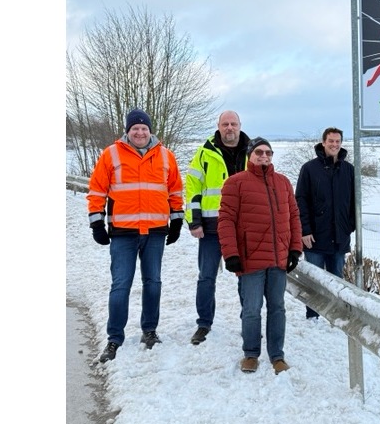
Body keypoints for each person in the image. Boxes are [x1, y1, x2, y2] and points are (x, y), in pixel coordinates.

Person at [88, 108, 184, 363]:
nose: (140, 132)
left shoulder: (166, 156)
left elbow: (175, 191)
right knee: (121, 284)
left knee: (153, 282)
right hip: (123, 233)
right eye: (135, 129)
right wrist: (96, 222)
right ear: (127, 131)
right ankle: (114, 338)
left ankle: (149, 331)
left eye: (144, 128)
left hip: (155, 232)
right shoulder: (111, 154)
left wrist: (176, 221)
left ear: (150, 130)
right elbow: (97, 190)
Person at [218, 137, 302, 374]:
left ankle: (277, 355)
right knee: (252, 309)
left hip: (278, 258)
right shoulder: (236, 183)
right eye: (259, 152)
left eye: (268, 153)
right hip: (249, 258)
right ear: (250, 156)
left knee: (277, 307)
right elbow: (226, 221)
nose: (264, 157)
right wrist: (230, 254)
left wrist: (295, 248)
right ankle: (251, 353)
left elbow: (294, 217)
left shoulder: (283, 183)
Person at [185, 110, 250, 345]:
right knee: (206, 277)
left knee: (247, 276)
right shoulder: (204, 153)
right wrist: (194, 221)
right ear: (218, 126)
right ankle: (204, 324)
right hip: (211, 228)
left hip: (243, 227)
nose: (229, 128)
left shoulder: (252, 151)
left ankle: (249, 322)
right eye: (225, 124)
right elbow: (192, 189)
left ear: (240, 125)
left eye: (233, 123)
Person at [295, 127, 355, 320]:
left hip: (339, 237)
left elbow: (355, 202)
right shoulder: (309, 169)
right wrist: (304, 230)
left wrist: (349, 226)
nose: (334, 144)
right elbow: (300, 200)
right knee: (314, 280)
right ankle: (313, 316)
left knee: (336, 279)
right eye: (331, 141)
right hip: (315, 236)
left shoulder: (348, 170)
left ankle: (335, 315)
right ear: (323, 142)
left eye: (338, 141)